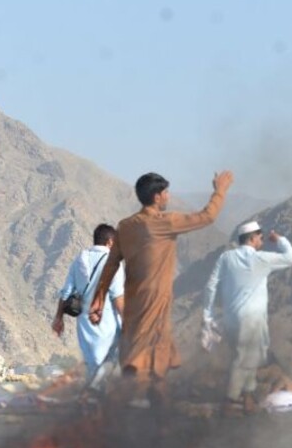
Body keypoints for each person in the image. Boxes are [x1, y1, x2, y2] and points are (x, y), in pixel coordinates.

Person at [89, 170, 232, 408]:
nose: (168, 197)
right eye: (165, 192)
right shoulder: (163, 223)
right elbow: (207, 217)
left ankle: (152, 412)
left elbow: (111, 265)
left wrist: (99, 299)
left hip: (135, 304)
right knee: (142, 366)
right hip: (154, 303)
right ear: (157, 196)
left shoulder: (125, 227)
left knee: (150, 364)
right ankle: (113, 413)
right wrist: (221, 190)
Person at [202, 220, 292, 416]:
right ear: (252, 238)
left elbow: (211, 286)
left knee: (248, 357)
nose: (262, 240)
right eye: (260, 237)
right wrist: (279, 239)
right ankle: (229, 401)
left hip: (230, 319)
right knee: (244, 359)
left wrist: (208, 314)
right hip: (252, 319)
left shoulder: (226, 258)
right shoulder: (261, 259)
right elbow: (291, 259)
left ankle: (248, 398)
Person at [52, 224, 126, 392]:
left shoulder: (79, 259)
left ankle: (91, 403)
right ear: (110, 242)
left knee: (93, 364)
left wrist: (59, 318)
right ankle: (97, 401)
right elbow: (118, 297)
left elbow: (66, 293)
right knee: (109, 363)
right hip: (106, 321)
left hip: (84, 323)